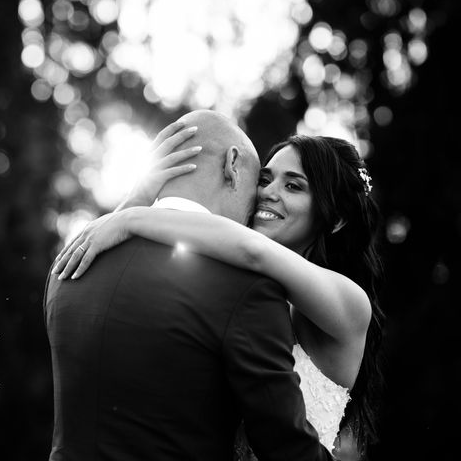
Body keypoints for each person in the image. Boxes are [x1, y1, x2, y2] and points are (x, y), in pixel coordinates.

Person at [52, 115, 385, 460]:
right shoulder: (247, 287)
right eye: (266, 179)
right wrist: (136, 199)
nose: (267, 192)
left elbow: (252, 251)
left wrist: (131, 216)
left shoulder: (349, 301)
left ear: (336, 219)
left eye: (293, 186)